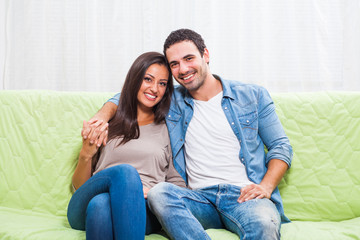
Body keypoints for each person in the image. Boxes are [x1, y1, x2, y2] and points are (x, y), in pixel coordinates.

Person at [82, 29, 293, 240]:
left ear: (206, 55)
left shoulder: (252, 95)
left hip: (244, 195)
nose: (183, 69)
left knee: (265, 225)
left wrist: (266, 186)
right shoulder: (172, 101)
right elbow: (130, 93)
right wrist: (102, 115)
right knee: (160, 193)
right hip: (197, 198)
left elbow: (280, 146)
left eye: (189, 58)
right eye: (174, 64)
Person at [67, 51, 186, 240]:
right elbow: (79, 187)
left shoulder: (168, 129)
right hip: (87, 202)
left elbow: (179, 185)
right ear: (135, 79)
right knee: (123, 175)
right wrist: (86, 155)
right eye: (148, 79)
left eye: (162, 83)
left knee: (101, 206)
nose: (154, 88)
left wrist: (155, 191)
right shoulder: (108, 122)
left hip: (143, 210)